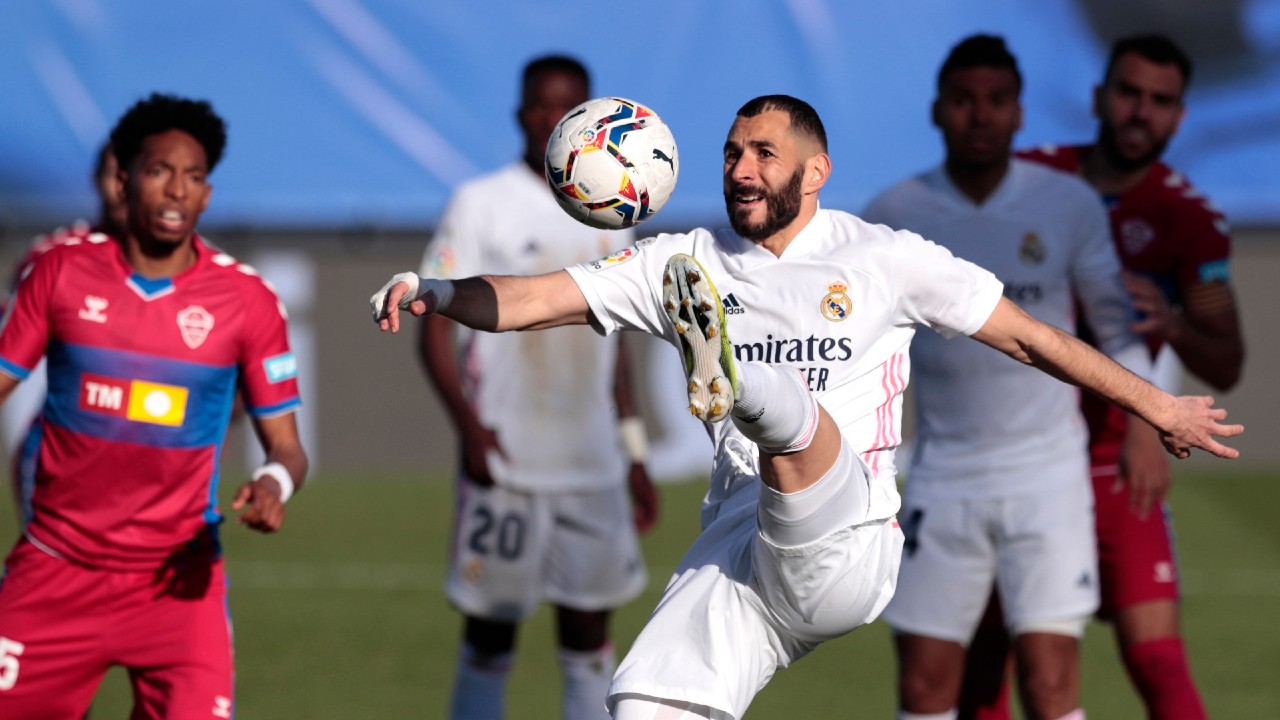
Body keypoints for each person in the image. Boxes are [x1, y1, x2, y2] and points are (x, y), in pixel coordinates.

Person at [369, 94, 1241, 720]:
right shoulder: (686, 257)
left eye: (763, 155)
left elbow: (1030, 336)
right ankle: (738, 383)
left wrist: (1157, 404)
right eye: (731, 154)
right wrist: (436, 288)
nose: (741, 171)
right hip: (741, 542)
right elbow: (529, 299)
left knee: (791, 422)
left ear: (815, 171)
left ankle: (737, 380)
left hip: (849, 530)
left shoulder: (885, 258)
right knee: (641, 700)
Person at [860, 34, 1167, 720]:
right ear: (938, 111)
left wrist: (1148, 420)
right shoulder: (895, 214)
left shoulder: (1068, 204)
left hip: (1047, 478)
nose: (980, 117)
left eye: (997, 102)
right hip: (945, 473)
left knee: (1052, 684)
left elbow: (1115, 325)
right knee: (924, 685)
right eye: (964, 101)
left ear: (1020, 114)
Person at [959, 34, 1245, 720]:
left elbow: (1227, 361)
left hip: (1118, 460)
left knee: (1155, 657)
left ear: (1179, 117)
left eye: (1160, 101)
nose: (1140, 112)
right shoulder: (1025, 181)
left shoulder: (1189, 220)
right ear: (1099, 97)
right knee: (986, 660)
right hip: (1010, 458)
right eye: (1128, 93)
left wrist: (1172, 325)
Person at [0, 93, 309, 718]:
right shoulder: (59, 273)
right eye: (159, 171)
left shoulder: (247, 301)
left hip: (177, 586)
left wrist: (275, 483)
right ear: (122, 181)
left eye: (193, 177)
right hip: (57, 570)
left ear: (207, 196)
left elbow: (287, 446)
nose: (176, 191)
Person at [417, 54, 659, 720]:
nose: (553, 120)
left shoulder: (614, 205)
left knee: (588, 642)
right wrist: (469, 430)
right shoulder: (480, 203)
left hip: (593, 465)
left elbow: (618, 341)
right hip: (507, 464)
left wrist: (634, 450)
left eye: (568, 109)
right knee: (490, 636)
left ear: (591, 121)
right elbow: (432, 325)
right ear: (521, 114)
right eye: (540, 107)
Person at [2, 142, 130, 524]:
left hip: (155, 460)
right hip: (64, 455)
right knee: (50, 581)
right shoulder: (57, 255)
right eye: (115, 176)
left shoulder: (198, 270)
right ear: (96, 180)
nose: (124, 189)